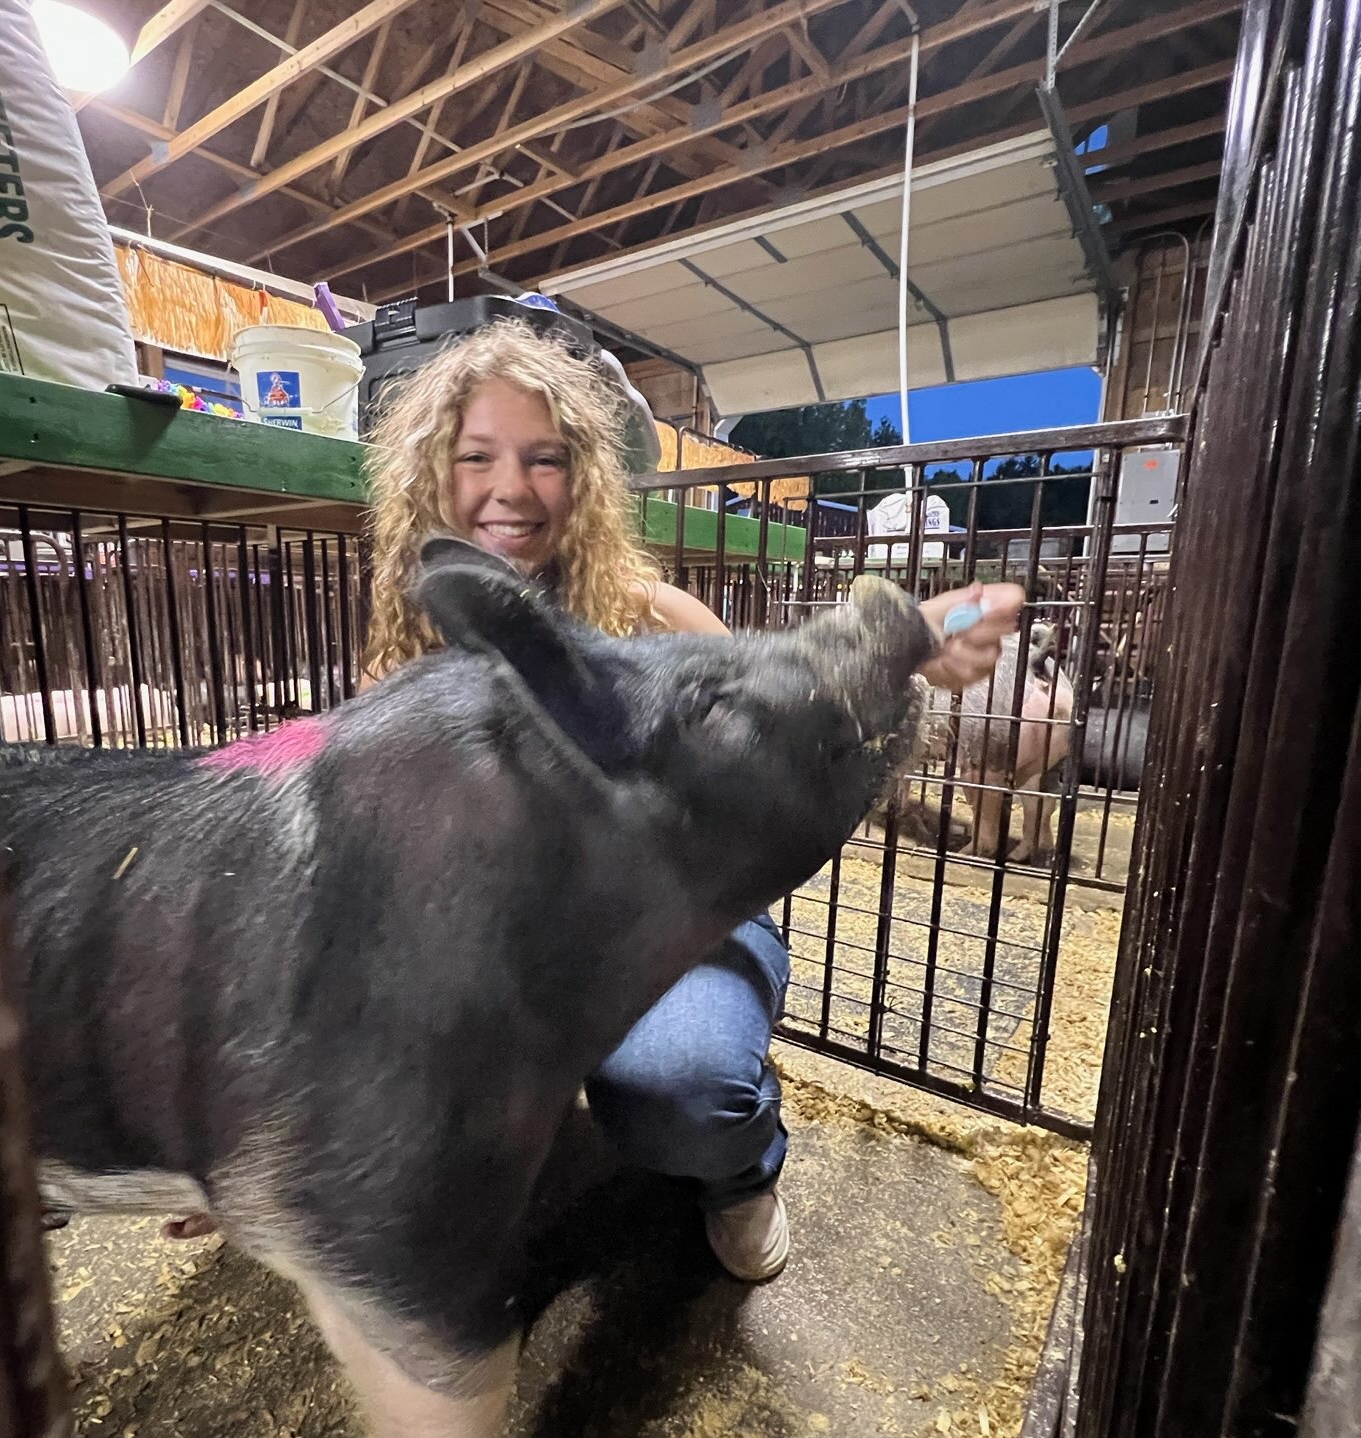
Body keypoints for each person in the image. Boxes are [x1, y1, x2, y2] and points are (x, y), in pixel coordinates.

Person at [362, 321, 1024, 1282]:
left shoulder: (648, 613)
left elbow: (779, 701)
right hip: (503, 940)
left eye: (545, 459)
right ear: (433, 471)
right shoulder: (409, 636)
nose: (511, 488)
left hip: (677, 930)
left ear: (581, 478)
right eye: (478, 456)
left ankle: (739, 1170)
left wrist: (906, 642)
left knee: (681, 1086)